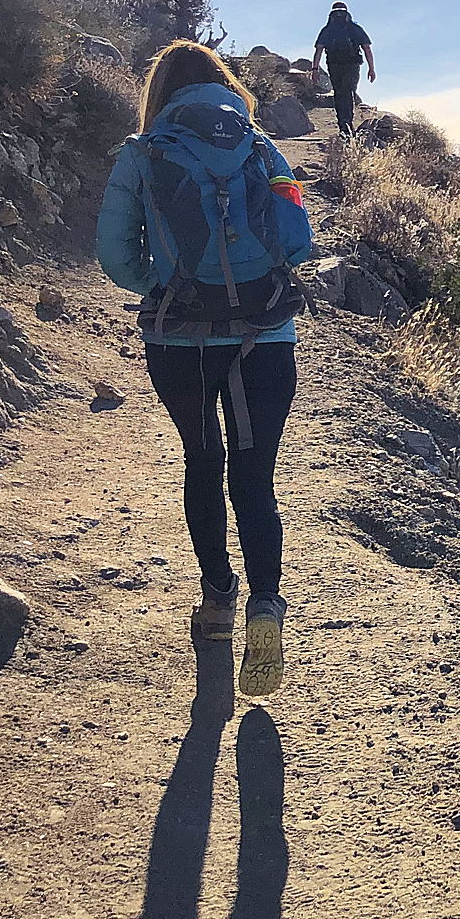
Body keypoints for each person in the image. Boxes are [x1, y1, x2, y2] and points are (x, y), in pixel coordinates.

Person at [97, 40, 314, 696]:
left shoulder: (143, 152)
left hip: (181, 341)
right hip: (264, 337)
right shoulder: (262, 147)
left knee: (203, 461)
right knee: (256, 477)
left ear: (160, 93)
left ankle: (219, 602)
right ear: (224, 87)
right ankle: (267, 607)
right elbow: (298, 240)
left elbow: (115, 257)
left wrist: (165, 285)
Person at [312, 0, 375, 135]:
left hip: (334, 65)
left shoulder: (327, 30)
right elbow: (367, 48)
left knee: (340, 93)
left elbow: (319, 50)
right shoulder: (354, 28)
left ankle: (344, 124)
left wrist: (315, 69)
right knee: (347, 92)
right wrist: (371, 68)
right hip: (351, 65)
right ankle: (346, 124)